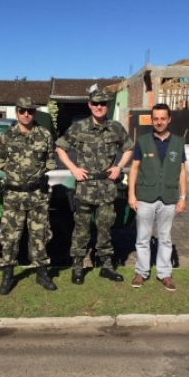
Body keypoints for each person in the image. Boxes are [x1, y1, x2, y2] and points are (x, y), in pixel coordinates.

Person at [55, 89, 134, 284]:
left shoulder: (115, 127)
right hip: (85, 186)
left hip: (107, 186)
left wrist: (119, 166)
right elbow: (60, 148)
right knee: (81, 228)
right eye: (95, 104)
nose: (99, 107)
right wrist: (73, 168)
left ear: (107, 106)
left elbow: (129, 148)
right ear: (89, 105)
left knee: (105, 227)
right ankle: (78, 266)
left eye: (103, 104)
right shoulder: (78, 127)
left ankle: (106, 266)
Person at [0, 97, 57, 295]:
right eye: (22, 111)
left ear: (34, 113)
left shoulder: (45, 135)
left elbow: (50, 162)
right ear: (16, 112)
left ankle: (42, 273)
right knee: (10, 237)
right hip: (13, 194)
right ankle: (7, 275)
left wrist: (33, 175)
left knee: (40, 235)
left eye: (30, 111)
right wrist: (17, 173)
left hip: (37, 194)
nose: (26, 114)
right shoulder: (6, 136)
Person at [127, 103, 187, 292]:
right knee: (143, 238)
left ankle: (164, 274)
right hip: (145, 196)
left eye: (163, 118)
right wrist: (131, 195)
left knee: (165, 238)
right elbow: (134, 168)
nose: (159, 122)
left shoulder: (178, 142)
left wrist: (183, 196)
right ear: (151, 120)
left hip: (169, 197)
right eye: (156, 118)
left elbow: (182, 172)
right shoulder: (143, 141)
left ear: (169, 119)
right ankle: (141, 272)